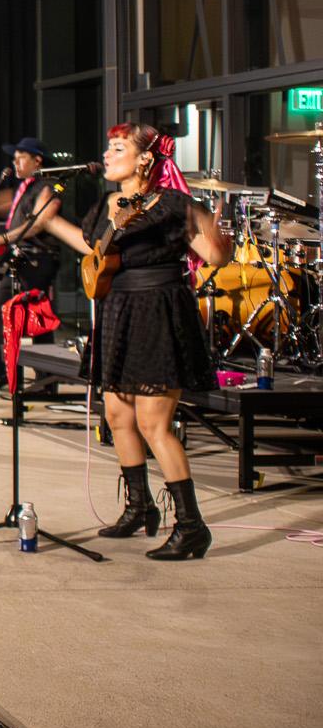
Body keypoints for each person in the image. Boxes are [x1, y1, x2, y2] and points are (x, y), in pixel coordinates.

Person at [38, 123, 230, 559]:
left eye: (118, 147)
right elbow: (94, 250)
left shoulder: (174, 204)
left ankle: (192, 526)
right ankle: (140, 507)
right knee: (116, 414)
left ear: (145, 158)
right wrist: (50, 222)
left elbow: (217, 256)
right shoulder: (108, 203)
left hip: (158, 310)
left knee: (153, 424)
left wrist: (216, 229)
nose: (107, 154)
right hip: (118, 309)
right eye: (107, 146)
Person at [0, 136, 64, 391]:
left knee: (38, 319)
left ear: (38, 160)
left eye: (21, 157)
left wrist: (3, 237)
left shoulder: (48, 185)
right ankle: (7, 373)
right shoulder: (27, 186)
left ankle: (46, 380)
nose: (15, 162)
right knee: (2, 311)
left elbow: (39, 222)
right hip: (20, 258)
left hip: (37, 258)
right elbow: (11, 204)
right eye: (15, 157)